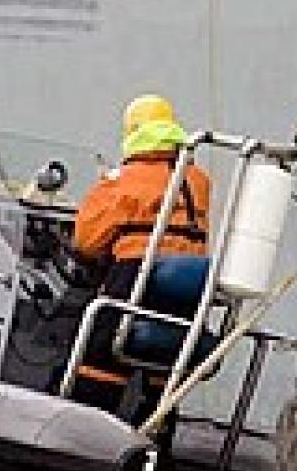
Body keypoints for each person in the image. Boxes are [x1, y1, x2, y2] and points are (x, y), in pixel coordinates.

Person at [68, 93, 212, 420]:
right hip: (188, 286)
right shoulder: (198, 180)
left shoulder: (122, 181)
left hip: (136, 276)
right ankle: (157, 433)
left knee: (101, 352)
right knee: (165, 364)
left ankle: (86, 426)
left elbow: (87, 242)